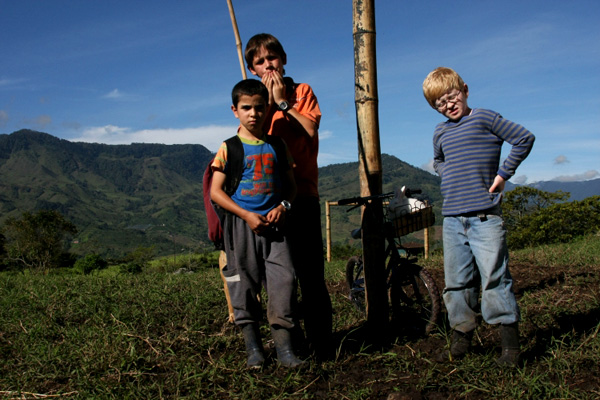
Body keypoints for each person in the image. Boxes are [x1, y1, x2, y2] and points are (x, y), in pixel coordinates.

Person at [422, 67, 535, 367]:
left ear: (465, 90)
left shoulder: (484, 118)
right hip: (452, 220)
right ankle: (461, 339)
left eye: (452, 96)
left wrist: (502, 174)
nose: (448, 105)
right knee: (456, 283)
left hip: (485, 217)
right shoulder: (440, 131)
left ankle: (510, 348)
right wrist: (447, 175)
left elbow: (523, 138)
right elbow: (438, 160)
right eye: (440, 103)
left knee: (495, 279)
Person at [244, 33, 333, 360]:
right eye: (260, 62)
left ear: (283, 59)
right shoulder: (254, 103)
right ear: (253, 70)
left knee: (311, 274)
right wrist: (266, 104)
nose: (269, 66)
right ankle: (291, 345)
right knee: (281, 276)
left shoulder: (302, 92)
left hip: (303, 192)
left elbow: (309, 130)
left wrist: (283, 103)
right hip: (269, 199)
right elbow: (253, 136)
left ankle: (323, 344)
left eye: (273, 58)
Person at [211, 79, 302, 369]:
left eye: (259, 107)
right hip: (241, 227)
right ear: (234, 110)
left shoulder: (277, 145)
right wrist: (246, 215)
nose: (253, 113)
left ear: (267, 109)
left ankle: (285, 351)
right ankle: (254, 350)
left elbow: (291, 185)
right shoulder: (229, 148)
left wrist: (283, 206)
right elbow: (216, 191)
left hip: (276, 228)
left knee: (284, 282)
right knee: (244, 286)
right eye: (246, 108)